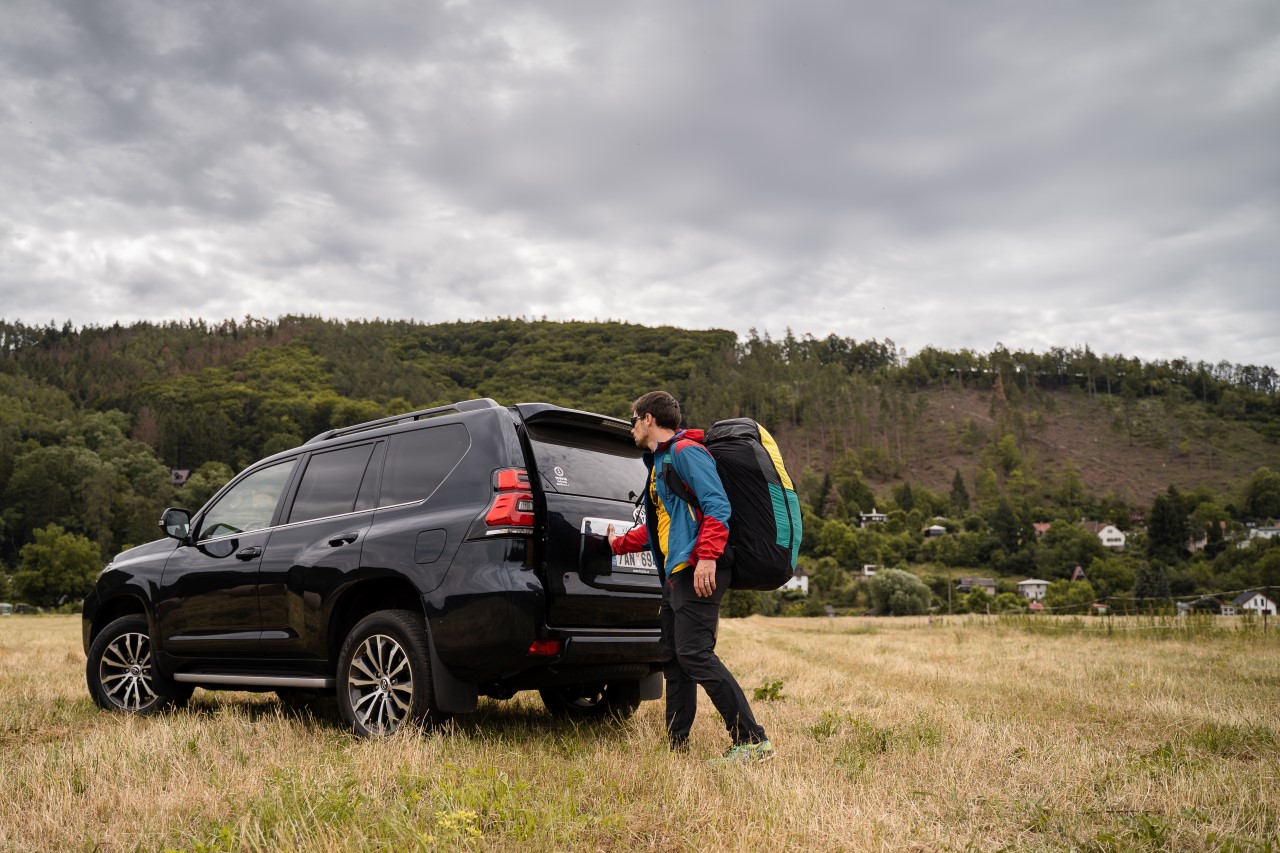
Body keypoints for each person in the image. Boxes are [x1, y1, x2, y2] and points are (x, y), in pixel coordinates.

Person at [608, 391, 774, 764]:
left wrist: (707, 558)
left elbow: (717, 505)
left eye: (633, 419)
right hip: (676, 572)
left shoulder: (686, 452)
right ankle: (677, 743)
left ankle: (752, 740)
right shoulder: (660, 462)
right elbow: (663, 526)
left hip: (698, 567)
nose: (632, 427)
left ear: (648, 419)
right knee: (675, 658)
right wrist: (618, 544)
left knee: (695, 654)